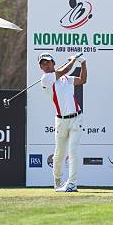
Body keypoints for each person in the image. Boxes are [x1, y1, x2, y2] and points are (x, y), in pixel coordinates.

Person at [38, 52, 87, 192]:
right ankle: (58, 181)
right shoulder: (46, 79)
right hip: (61, 121)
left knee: (72, 151)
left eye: (48, 62)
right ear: (41, 68)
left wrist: (83, 63)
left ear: (53, 63)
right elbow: (65, 69)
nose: (45, 65)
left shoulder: (65, 78)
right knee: (59, 153)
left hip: (77, 118)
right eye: (42, 64)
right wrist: (72, 60)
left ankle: (72, 184)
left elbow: (82, 80)